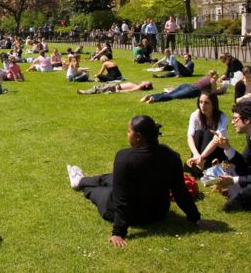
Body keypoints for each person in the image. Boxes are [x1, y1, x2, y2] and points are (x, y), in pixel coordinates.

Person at [70, 115, 213, 247]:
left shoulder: (124, 157)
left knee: (97, 191)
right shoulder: (171, 155)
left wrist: (118, 232)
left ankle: (81, 183)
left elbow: (121, 200)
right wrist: (195, 218)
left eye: (128, 131)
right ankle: (82, 179)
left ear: (138, 137)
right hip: (158, 211)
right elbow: (180, 191)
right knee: (111, 177)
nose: (127, 134)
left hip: (134, 215)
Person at [185, 91, 228, 172]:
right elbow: (190, 136)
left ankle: (200, 165)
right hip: (198, 154)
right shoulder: (195, 115)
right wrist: (196, 154)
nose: (202, 105)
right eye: (201, 102)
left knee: (209, 132)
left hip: (216, 150)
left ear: (213, 105)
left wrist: (201, 157)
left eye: (206, 103)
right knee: (198, 133)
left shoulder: (222, 118)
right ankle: (198, 164)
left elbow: (216, 141)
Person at [141, 71, 218, 103]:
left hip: (187, 85)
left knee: (169, 93)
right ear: (214, 76)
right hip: (193, 89)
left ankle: (150, 96)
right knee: (173, 96)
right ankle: (154, 99)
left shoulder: (205, 77)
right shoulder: (212, 80)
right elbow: (214, 93)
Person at [77, 81, 153, 95]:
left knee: (99, 89)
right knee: (101, 87)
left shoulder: (138, 87)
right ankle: (87, 91)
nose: (144, 81)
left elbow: (129, 91)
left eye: (146, 82)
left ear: (146, 86)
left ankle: (84, 92)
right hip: (116, 85)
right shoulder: (138, 86)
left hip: (116, 87)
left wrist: (117, 90)